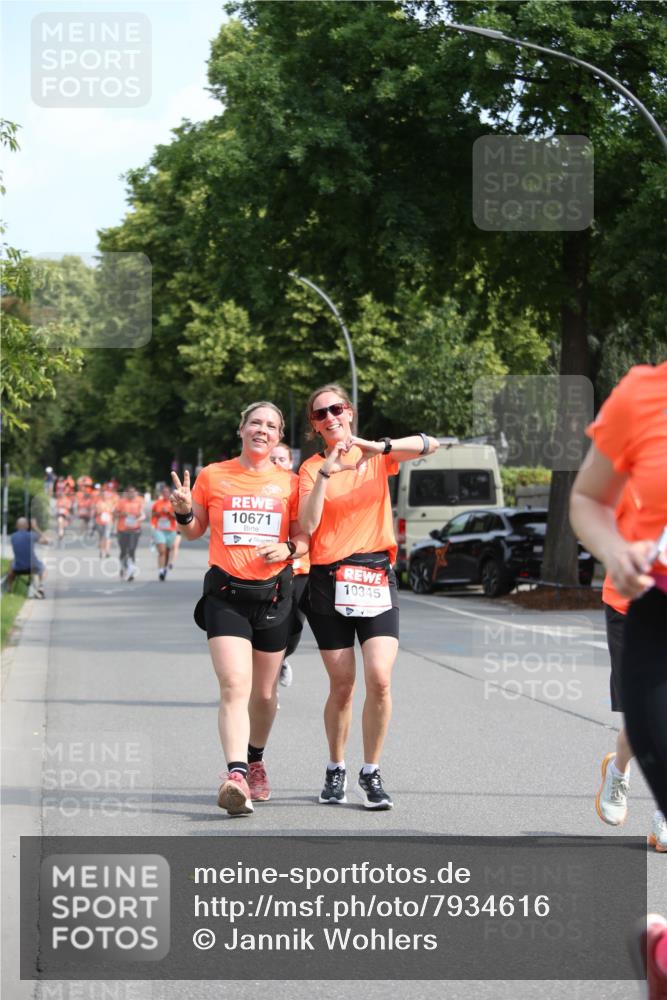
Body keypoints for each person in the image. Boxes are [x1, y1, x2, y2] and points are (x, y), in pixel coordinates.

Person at [569, 361, 667, 998]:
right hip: (643, 602)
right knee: (638, 722)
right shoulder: (645, 394)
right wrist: (617, 553)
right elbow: (589, 502)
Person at [298, 383, 438, 810]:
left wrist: (376, 445)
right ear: (314, 426)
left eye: (336, 409)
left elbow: (431, 445)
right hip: (328, 579)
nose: (330, 417)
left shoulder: (377, 456)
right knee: (342, 686)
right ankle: (335, 767)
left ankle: (370, 771)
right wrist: (328, 473)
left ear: (350, 412)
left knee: (379, 678)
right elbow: (308, 522)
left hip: (375, 573)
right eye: (321, 414)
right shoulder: (310, 469)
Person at [170, 402, 309, 817]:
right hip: (226, 596)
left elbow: (304, 538)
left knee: (264, 695)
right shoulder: (214, 476)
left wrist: (286, 547)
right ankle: (235, 776)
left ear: (279, 436)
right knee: (234, 685)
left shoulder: (290, 482)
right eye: (255, 423)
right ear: (241, 429)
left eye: (271, 425)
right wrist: (181, 510)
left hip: (272, 597)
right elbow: (194, 530)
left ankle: (255, 759)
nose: (262, 430)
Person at [270, 443, 310, 688]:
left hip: (300, 569)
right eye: (272, 458)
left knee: (294, 626)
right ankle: (265, 688)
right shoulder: (257, 486)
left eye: (282, 459)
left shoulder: (301, 486)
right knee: (268, 625)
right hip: (269, 570)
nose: (277, 463)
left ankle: (283, 658)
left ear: (291, 461)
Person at [6, 517, 49, 597]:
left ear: (16, 526)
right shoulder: (31, 535)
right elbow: (46, 541)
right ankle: (41, 587)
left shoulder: (13, 537)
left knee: (11, 562)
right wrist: (35, 528)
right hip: (33, 567)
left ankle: (9, 588)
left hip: (18, 568)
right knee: (44, 570)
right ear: (27, 526)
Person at [115, 486, 145, 581]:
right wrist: (121, 514)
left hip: (135, 529)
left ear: (136, 493)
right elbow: (114, 513)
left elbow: (143, 515)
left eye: (133, 492)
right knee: (124, 550)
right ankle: (124, 567)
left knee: (132, 549)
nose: (132, 493)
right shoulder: (121, 502)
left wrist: (138, 518)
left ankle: (131, 570)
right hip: (122, 529)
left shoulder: (139, 501)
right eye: (130, 492)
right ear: (127, 493)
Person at [151, 485, 178, 581]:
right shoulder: (157, 503)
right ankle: (161, 570)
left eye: (167, 492)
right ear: (162, 493)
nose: (165, 494)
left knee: (167, 551)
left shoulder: (174, 503)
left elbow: (178, 517)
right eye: (164, 492)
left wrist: (169, 513)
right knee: (162, 551)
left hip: (171, 530)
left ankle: (165, 567)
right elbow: (152, 514)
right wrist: (158, 513)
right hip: (160, 530)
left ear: (170, 493)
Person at [94, 486, 116, 560]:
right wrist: (100, 511)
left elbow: (114, 511)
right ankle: (101, 551)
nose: (105, 496)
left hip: (108, 521)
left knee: (107, 536)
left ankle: (107, 552)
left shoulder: (111, 502)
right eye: (103, 495)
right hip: (100, 521)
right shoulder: (99, 503)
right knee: (101, 537)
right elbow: (96, 512)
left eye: (106, 495)